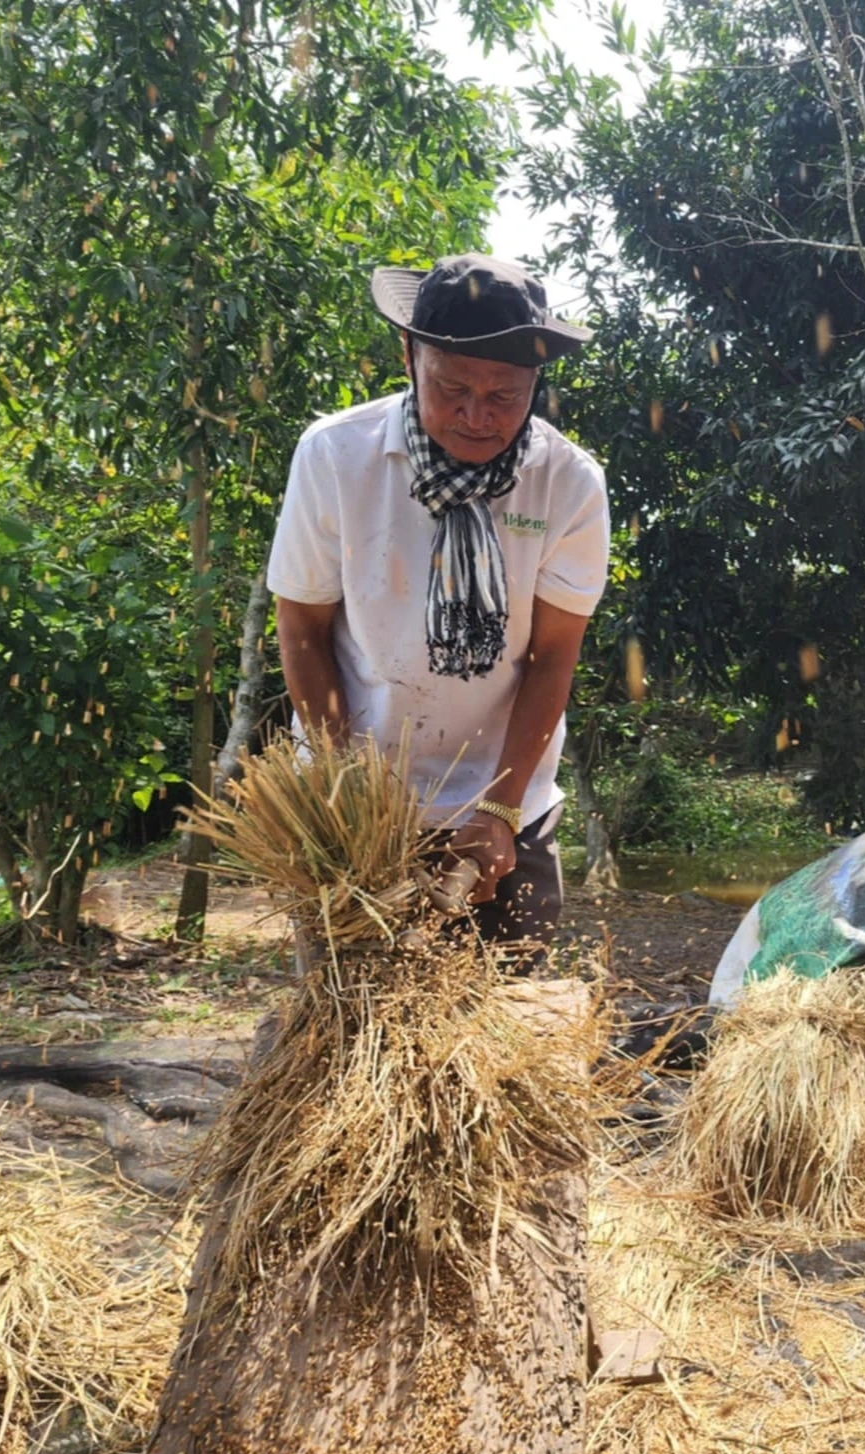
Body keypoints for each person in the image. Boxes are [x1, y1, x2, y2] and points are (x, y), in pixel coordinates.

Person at [267, 253, 610, 967]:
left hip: (506, 791)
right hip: (357, 789)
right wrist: (348, 799)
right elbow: (302, 630)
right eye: (452, 388)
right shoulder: (335, 457)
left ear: (536, 382)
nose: (477, 417)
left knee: (511, 1027)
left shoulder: (569, 484)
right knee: (345, 1022)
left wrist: (500, 810)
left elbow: (551, 658)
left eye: (506, 397)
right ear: (408, 356)